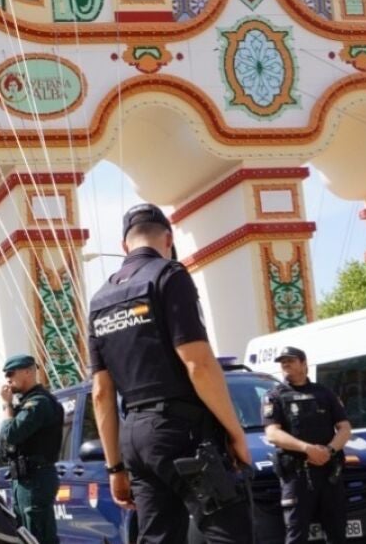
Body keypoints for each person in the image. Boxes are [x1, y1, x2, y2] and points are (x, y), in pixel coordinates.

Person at [87, 203, 254, 544]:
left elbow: (101, 393)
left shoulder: (100, 300)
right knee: (230, 533)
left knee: (158, 538)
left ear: (124, 246)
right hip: (182, 432)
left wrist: (115, 467)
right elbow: (199, 364)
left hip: (135, 438)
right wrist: (235, 432)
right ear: (168, 239)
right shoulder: (169, 275)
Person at [263, 346, 351, 543]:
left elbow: (345, 428)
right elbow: (273, 434)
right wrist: (307, 449)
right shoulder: (275, 396)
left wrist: (329, 450)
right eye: (282, 362)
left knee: (337, 532)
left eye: (290, 360)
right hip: (297, 475)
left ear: (304, 363)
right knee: (296, 534)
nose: (285, 364)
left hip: (329, 472)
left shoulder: (325, 394)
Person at [0, 353, 63, 544]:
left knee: (37, 537)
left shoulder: (39, 403)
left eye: (11, 373)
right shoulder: (27, 402)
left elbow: (11, 433)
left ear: (28, 372)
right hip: (24, 479)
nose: (7, 379)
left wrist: (7, 404)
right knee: (24, 536)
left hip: (36, 479)